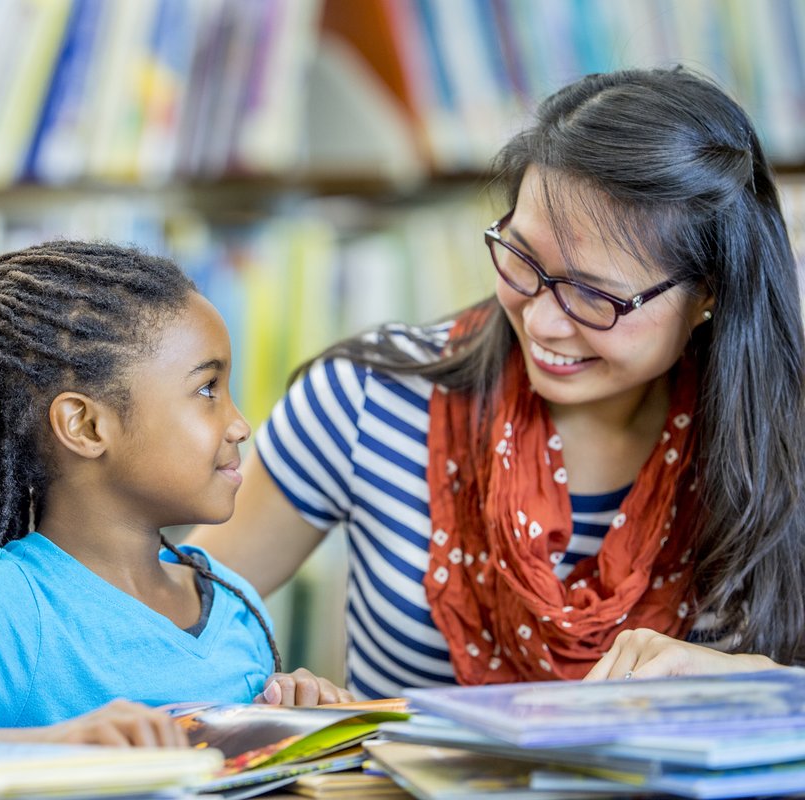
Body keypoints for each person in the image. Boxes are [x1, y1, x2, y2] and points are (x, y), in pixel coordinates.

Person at [189, 66, 805, 695]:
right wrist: (277, 704)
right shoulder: (366, 399)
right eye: (521, 258)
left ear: (709, 293)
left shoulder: (783, 438)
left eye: (596, 297)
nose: (540, 321)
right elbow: (160, 633)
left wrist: (766, 684)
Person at [0, 241, 350, 748]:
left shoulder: (235, 604)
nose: (239, 425)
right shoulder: (5, 601)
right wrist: (54, 745)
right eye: (207, 390)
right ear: (86, 426)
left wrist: (294, 714)